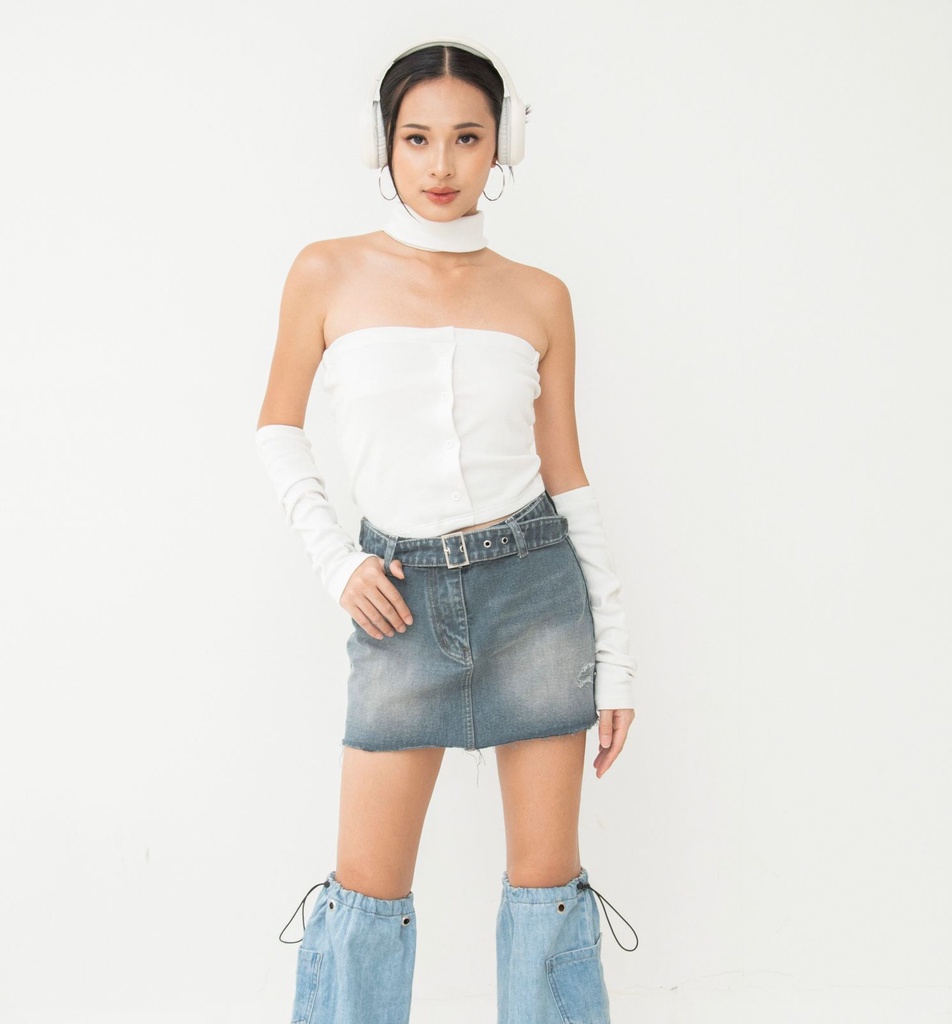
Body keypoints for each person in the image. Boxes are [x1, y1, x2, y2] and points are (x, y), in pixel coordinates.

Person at [255, 35, 638, 1024]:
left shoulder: (540, 294)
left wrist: (617, 660)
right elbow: (277, 430)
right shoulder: (326, 271)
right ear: (380, 143)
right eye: (417, 138)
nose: (440, 164)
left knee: (548, 898)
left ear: (503, 144)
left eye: (467, 137)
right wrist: (338, 563)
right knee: (364, 899)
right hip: (397, 605)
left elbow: (568, 475)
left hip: (535, 596)